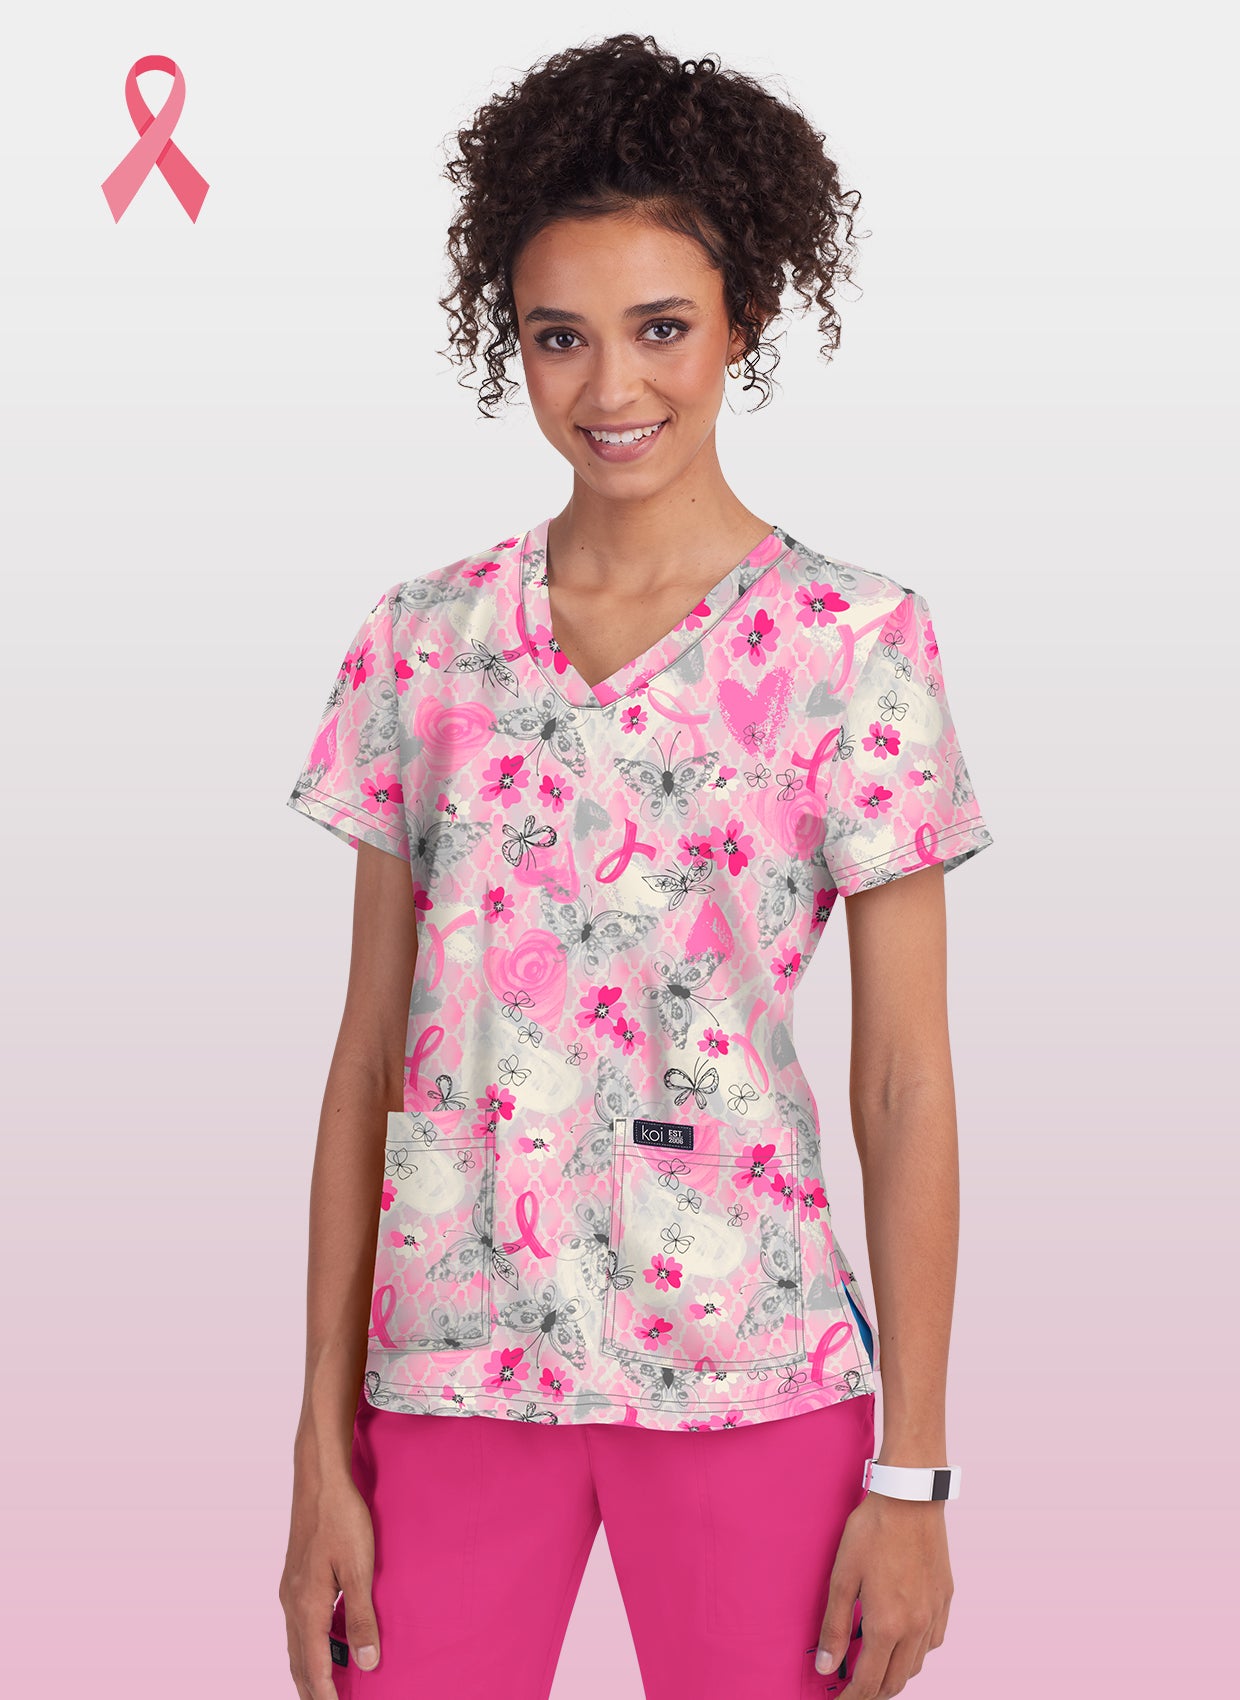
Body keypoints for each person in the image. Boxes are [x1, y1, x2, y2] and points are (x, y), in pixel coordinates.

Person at [278, 32, 994, 1700]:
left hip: (755, 1376)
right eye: (561, 337)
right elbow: (368, 1061)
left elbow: (904, 1081)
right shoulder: (423, 643)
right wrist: (317, 1443)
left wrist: (915, 1476)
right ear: (511, 341)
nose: (612, 389)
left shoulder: (855, 646)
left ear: (745, 318)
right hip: (447, 1379)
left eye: (662, 327)